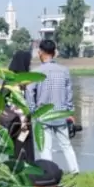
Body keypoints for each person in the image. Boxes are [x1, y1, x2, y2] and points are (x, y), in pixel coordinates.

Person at [26, 40, 79, 174]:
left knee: (45, 147)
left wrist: (33, 110)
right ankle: (75, 171)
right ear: (54, 53)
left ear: (40, 53)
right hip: (60, 114)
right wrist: (70, 112)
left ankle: (48, 173)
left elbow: (29, 92)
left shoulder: (36, 72)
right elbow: (69, 93)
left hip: (42, 114)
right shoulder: (64, 71)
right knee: (66, 145)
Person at [3, 50, 36, 165]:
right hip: (22, 118)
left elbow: (2, 98)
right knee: (24, 143)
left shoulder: (8, 79)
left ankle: (15, 166)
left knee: (15, 143)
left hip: (11, 118)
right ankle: (26, 166)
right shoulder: (25, 80)